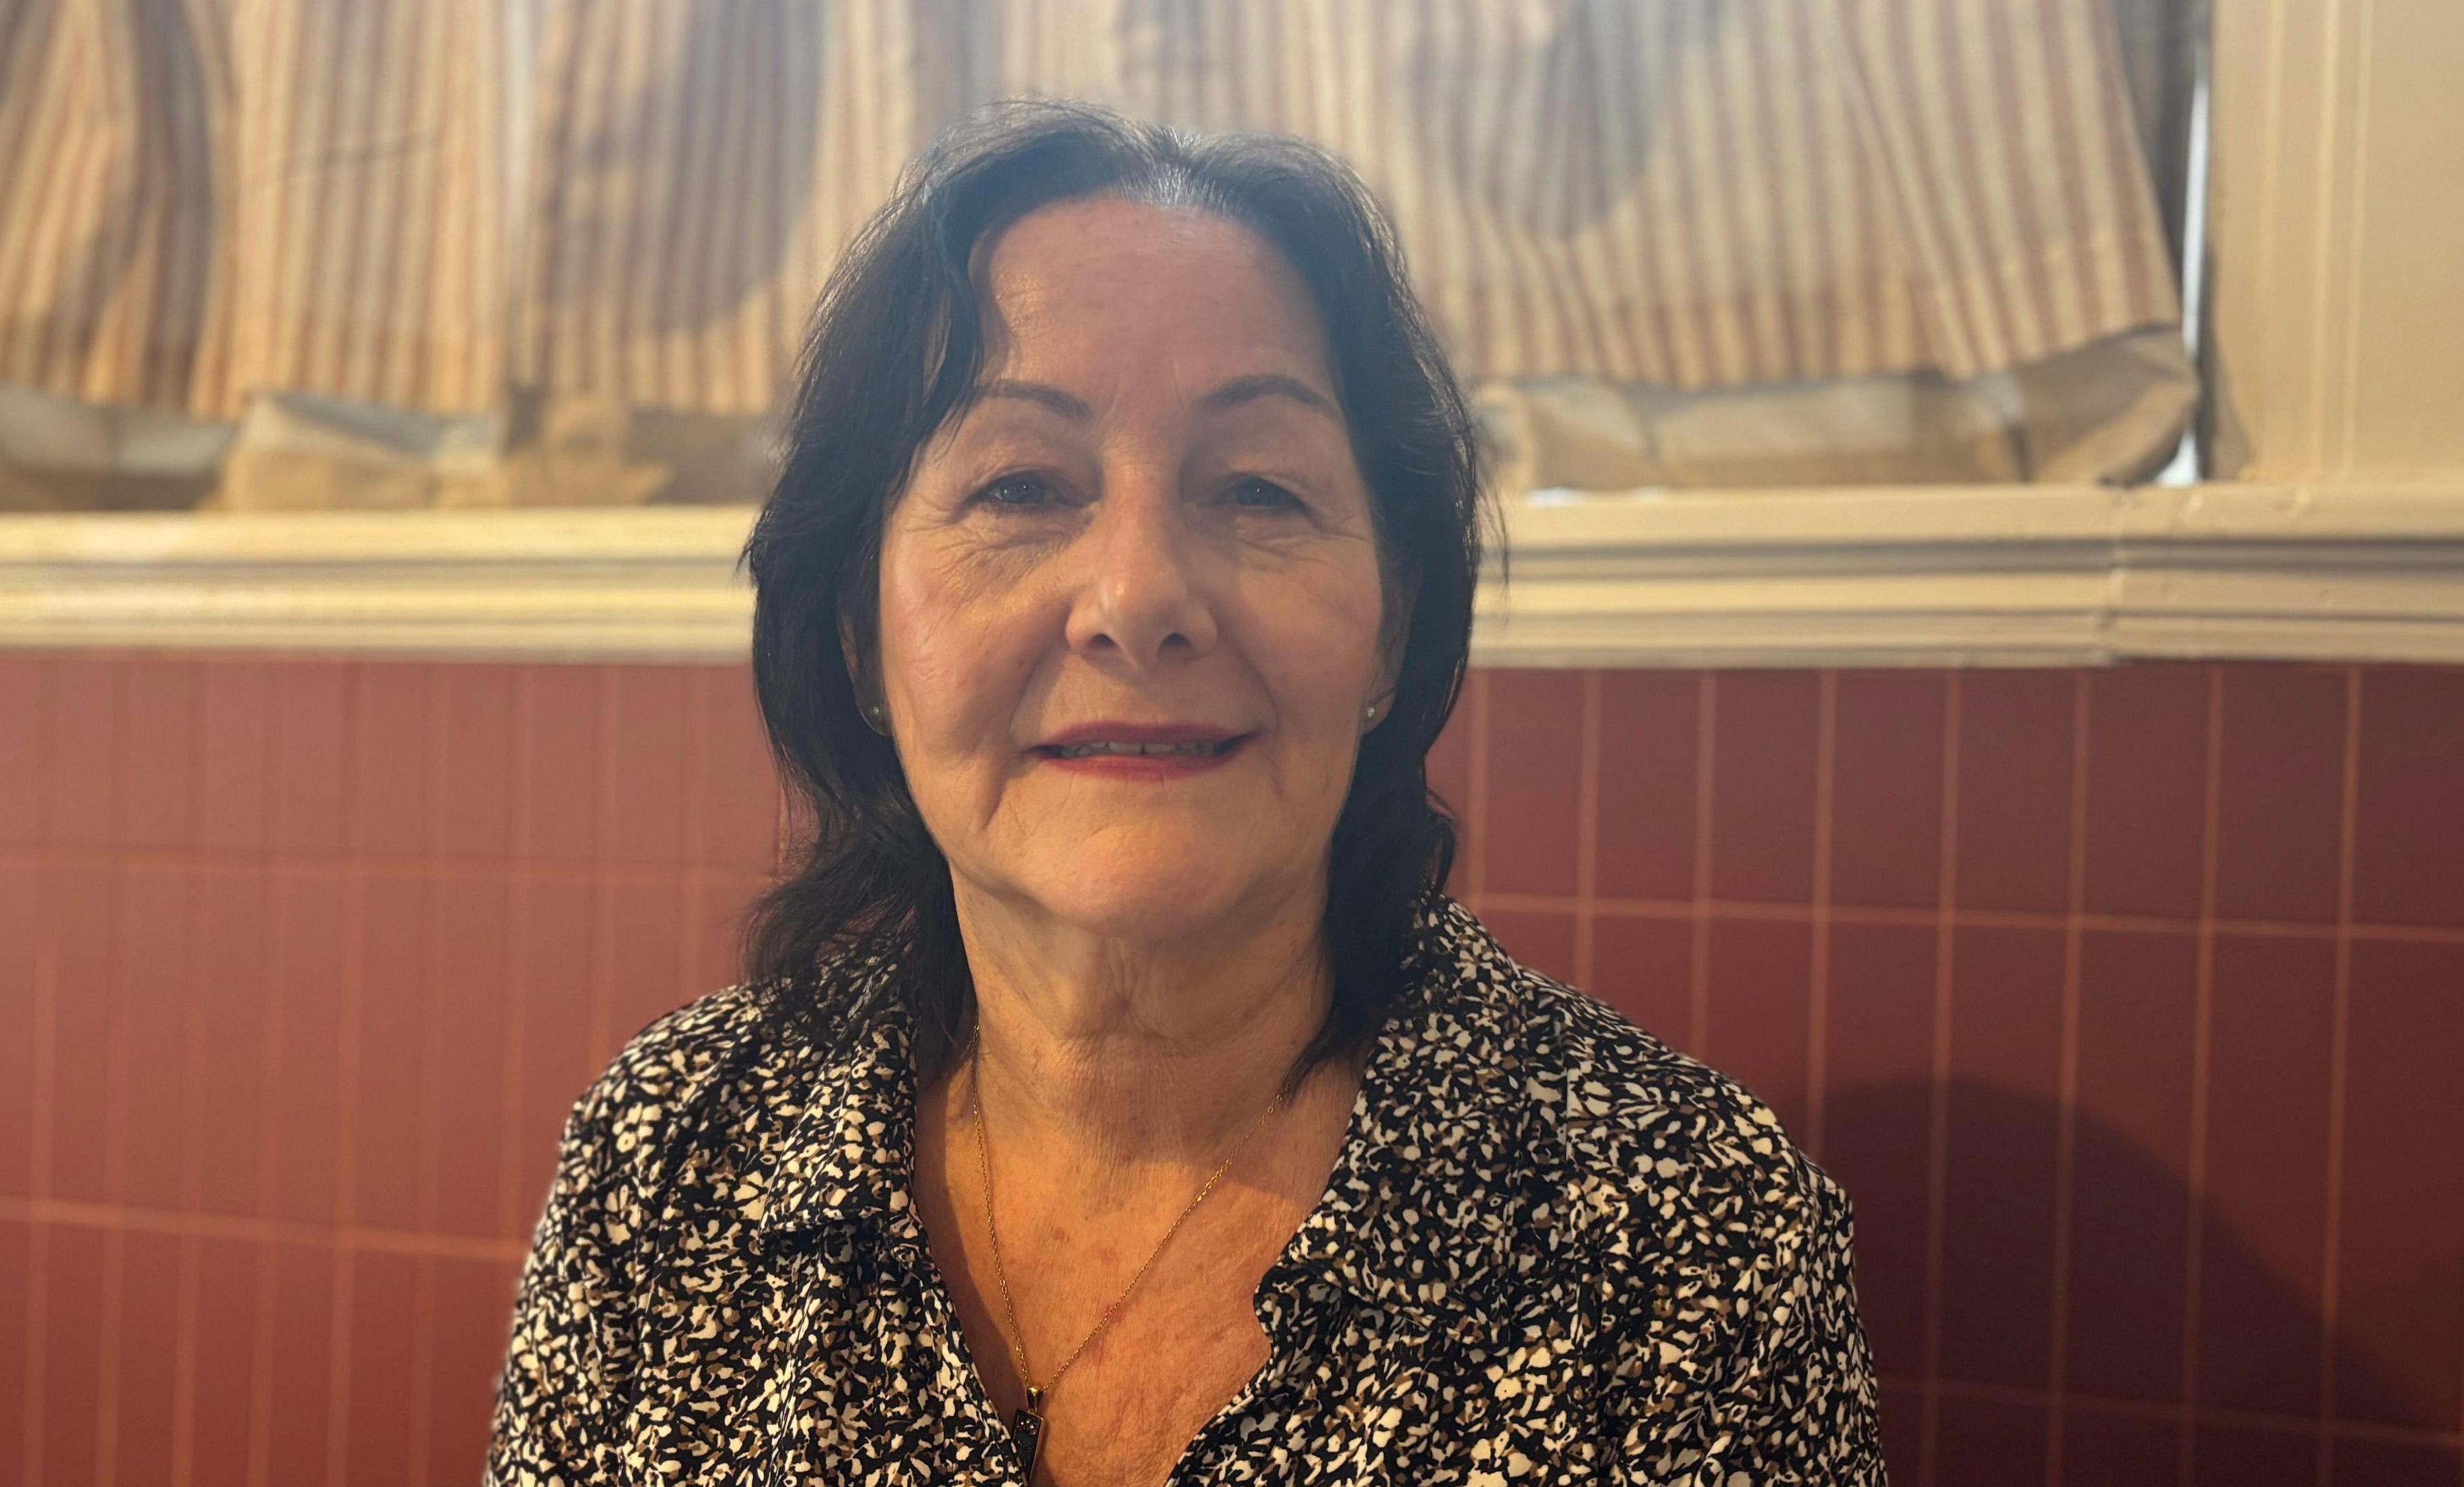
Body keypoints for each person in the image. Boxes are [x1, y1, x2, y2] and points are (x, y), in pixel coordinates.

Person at [485, 97, 1884, 1486]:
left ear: (1391, 628)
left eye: (1260, 491)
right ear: (861, 634)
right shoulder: (670, 1158)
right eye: (1021, 486)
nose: (1139, 598)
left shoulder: (1685, 1241)